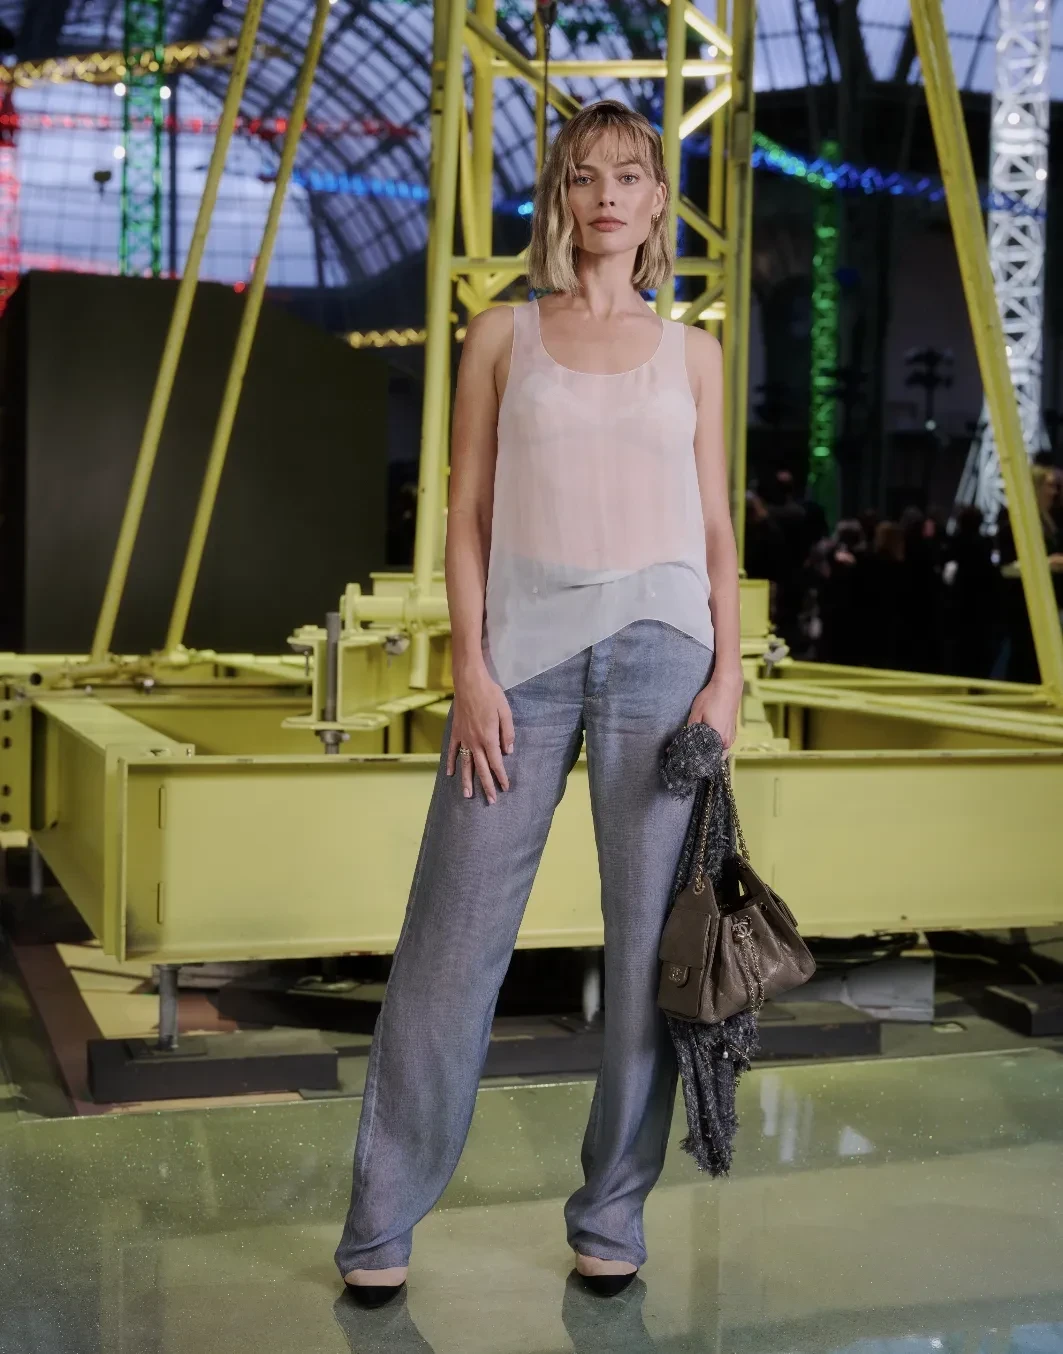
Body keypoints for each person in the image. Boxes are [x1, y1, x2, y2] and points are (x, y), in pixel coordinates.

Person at [334, 100, 743, 1307]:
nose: (607, 195)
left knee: (649, 953)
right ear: (559, 197)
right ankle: (378, 1223)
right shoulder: (500, 333)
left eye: (629, 175)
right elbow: (464, 512)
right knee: (449, 946)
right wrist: (469, 665)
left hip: (665, 655)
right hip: (519, 662)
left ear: (658, 202)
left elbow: (716, 527)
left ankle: (612, 1213)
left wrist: (727, 675)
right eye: (583, 176)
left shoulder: (694, 354)